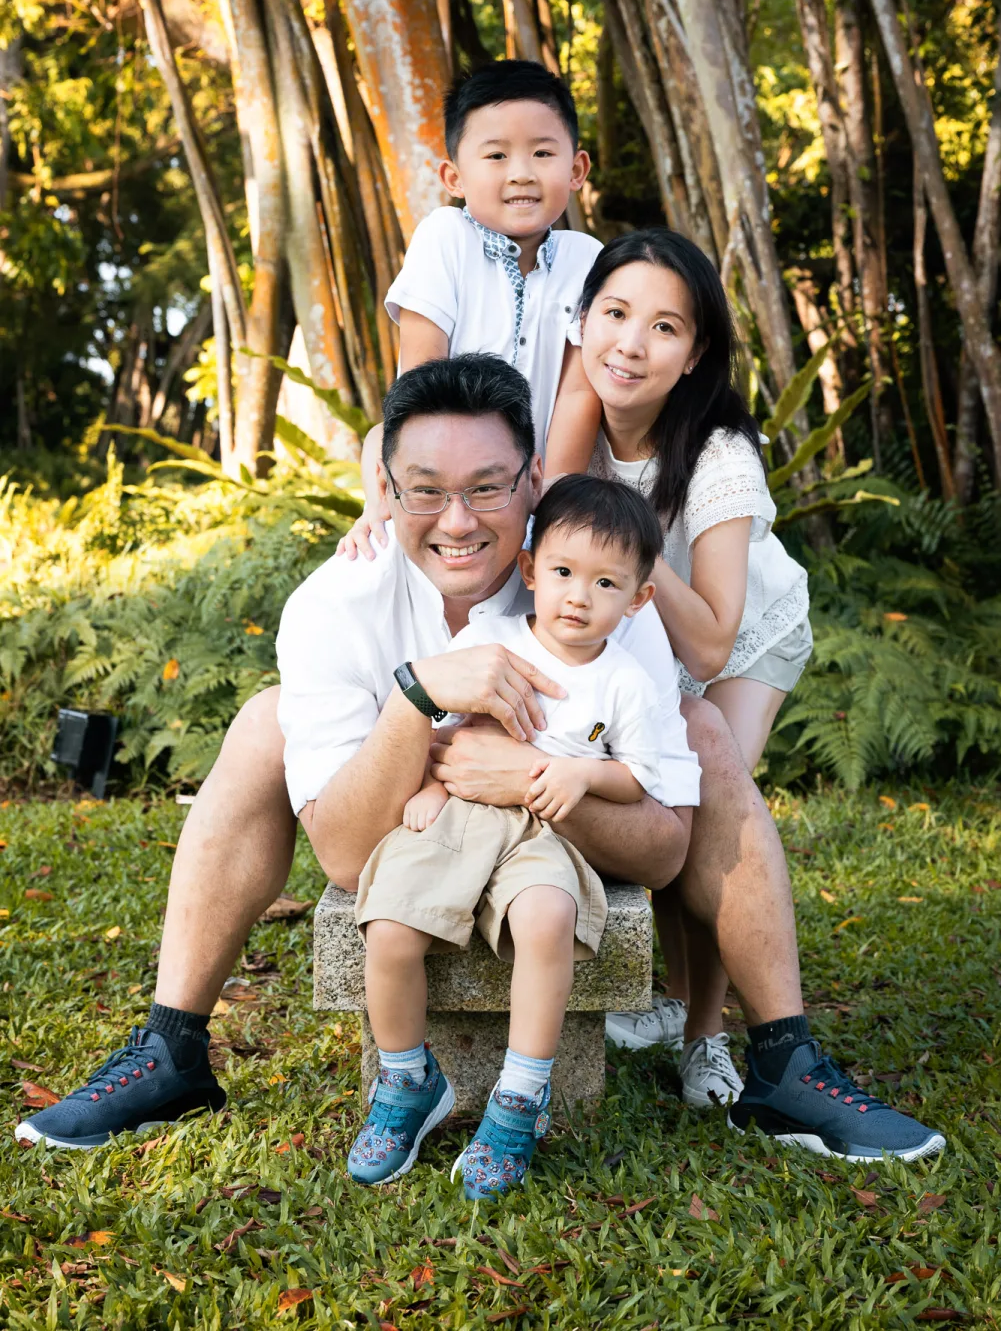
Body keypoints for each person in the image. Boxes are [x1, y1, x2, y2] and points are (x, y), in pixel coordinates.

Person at [17, 356, 945, 1165]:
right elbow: (345, 855)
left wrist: (535, 784)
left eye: (489, 488)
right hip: (415, 837)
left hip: (557, 837)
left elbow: (663, 850)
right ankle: (172, 1048)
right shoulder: (335, 606)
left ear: (535, 481)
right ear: (386, 487)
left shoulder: (596, 592)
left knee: (699, 727)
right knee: (266, 720)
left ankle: (784, 1061)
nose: (456, 520)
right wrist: (419, 698)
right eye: (424, 489)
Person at [348, 474, 676, 1198]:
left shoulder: (623, 681)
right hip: (461, 810)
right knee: (391, 926)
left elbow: (639, 778)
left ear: (638, 598)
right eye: (561, 572)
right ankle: (407, 1084)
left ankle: (519, 1098)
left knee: (547, 915)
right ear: (530, 570)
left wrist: (580, 777)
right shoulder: (492, 637)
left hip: (544, 826)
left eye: (605, 583)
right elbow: (452, 727)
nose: (578, 597)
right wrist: (433, 787)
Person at [579, 231, 812, 1105]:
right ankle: (672, 998)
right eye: (615, 314)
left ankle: (704, 1035)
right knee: (655, 798)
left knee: (708, 802)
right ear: (583, 320)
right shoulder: (572, 422)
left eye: (664, 327)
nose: (632, 344)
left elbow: (713, 641)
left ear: (694, 354)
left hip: (746, 633)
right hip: (649, 636)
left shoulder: (717, 454)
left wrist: (632, 548)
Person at [339, 58, 602, 562]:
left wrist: (551, 507)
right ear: (453, 176)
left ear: (576, 170)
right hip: (441, 471)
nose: (521, 173)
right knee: (381, 440)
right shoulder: (445, 236)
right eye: (497, 155)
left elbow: (577, 394)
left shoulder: (587, 258)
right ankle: (381, 523)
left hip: (539, 479)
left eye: (543, 152)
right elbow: (419, 380)